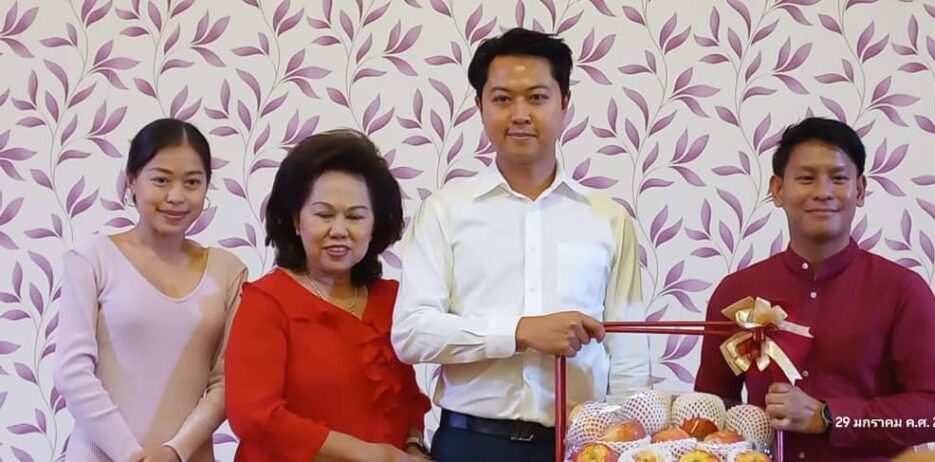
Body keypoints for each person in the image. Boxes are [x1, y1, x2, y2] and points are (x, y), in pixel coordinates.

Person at [391, 28, 650, 462]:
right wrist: (518, 331)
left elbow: (628, 352)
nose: (520, 114)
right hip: (470, 443)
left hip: (580, 444)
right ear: (479, 106)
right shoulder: (444, 211)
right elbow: (412, 333)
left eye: (537, 97)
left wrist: (626, 442)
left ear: (564, 103)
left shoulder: (607, 217)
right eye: (502, 98)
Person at [695, 117, 935, 461]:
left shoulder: (902, 291)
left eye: (838, 178)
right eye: (806, 178)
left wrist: (828, 416)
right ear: (778, 190)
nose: (822, 192)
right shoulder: (737, 292)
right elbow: (711, 411)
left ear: (860, 190)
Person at [225, 129, 430, 462]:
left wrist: (413, 447)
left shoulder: (393, 299)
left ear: (374, 225)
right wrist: (374, 456)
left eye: (355, 217)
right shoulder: (267, 301)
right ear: (296, 221)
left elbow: (408, 400)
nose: (339, 230)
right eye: (324, 215)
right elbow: (254, 416)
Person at [55, 118, 247, 462]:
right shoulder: (91, 257)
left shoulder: (228, 271)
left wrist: (175, 451)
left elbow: (227, 381)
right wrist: (131, 454)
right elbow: (72, 372)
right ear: (131, 180)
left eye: (192, 182)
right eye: (161, 180)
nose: (176, 196)